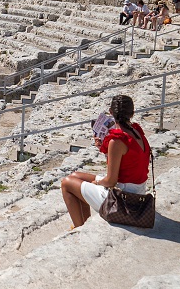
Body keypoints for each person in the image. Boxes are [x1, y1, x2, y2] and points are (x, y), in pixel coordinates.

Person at [60, 95, 151, 228]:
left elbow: (111, 181)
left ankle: (79, 228)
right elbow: (125, 162)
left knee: (66, 183)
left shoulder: (117, 140)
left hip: (124, 199)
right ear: (132, 114)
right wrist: (103, 148)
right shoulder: (137, 132)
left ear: (111, 112)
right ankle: (84, 223)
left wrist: (96, 183)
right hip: (137, 190)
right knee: (76, 176)